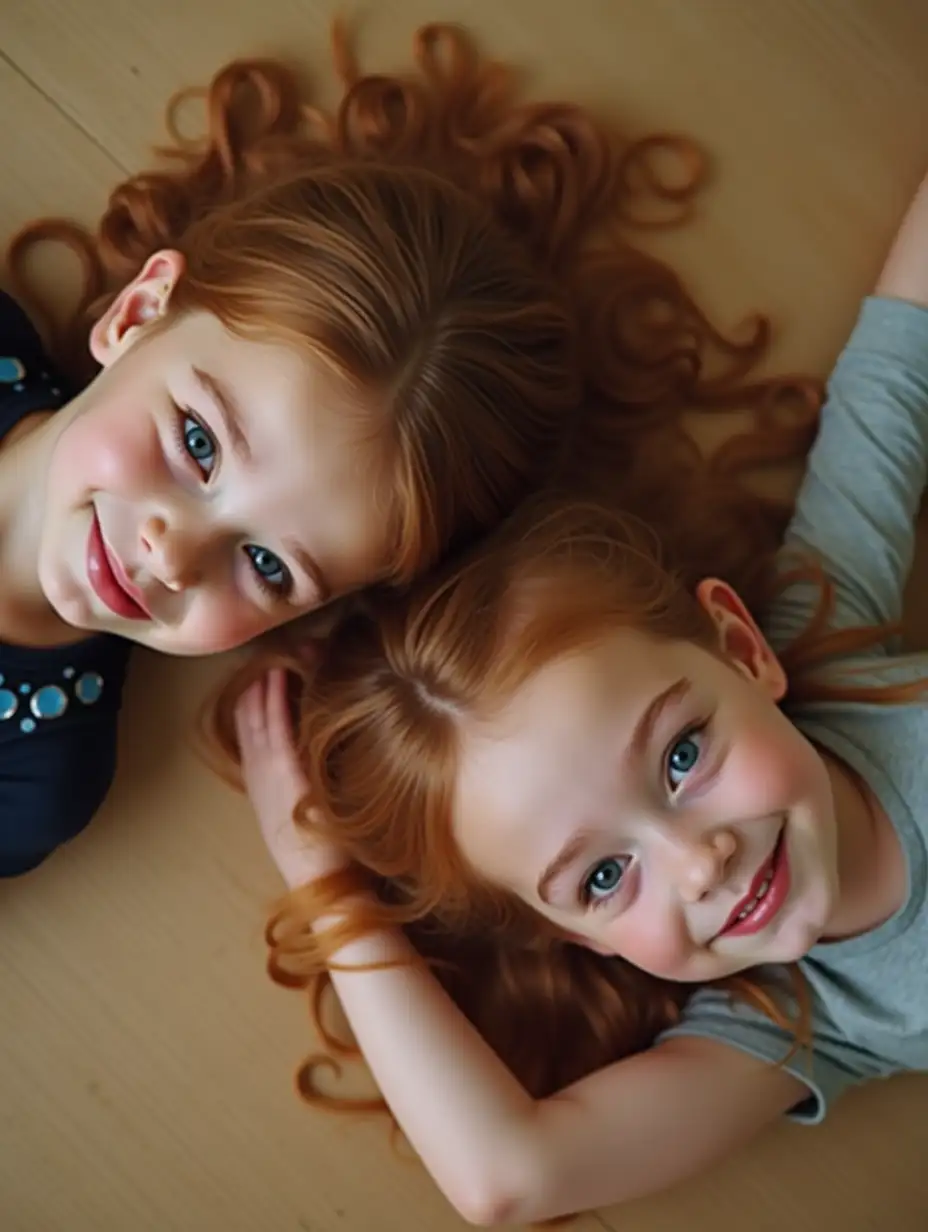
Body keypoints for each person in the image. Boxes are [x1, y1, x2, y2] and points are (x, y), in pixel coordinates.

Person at [232, 158, 928, 1225]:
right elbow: (509, 1176)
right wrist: (320, 879)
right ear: (579, 938)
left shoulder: (830, 641)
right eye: (604, 875)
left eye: (681, 756)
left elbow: (899, 362)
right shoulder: (801, 1017)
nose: (699, 861)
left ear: (741, 648)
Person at [2, 22, 811, 878]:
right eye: (197, 442)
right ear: (136, 313)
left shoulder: (37, 780)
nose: (173, 554)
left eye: (269, 566)